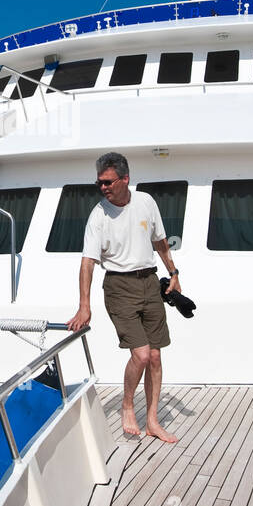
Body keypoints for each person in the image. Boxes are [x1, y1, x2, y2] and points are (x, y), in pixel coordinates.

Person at [67, 152, 181, 443]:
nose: (103, 187)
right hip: (119, 287)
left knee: (155, 356)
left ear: (125, 179)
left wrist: (175, 273)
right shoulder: (98, 216)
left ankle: (153, 420)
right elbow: (87, 262)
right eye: (99, 183)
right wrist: (84, 306)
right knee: (141, 354)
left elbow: (160, 241)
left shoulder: (145, 202)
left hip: (150, 282)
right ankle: (127, 405)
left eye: (108, 182)